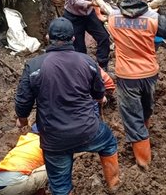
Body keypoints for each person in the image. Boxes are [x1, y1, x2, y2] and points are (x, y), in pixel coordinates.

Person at [14, 17, 120, 195]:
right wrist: (99, 99)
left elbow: (23, 101)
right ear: (73, 39)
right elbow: (98, 92)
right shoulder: (87, 62)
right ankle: (114, 184)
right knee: (109, 143)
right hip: (88, 130)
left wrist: (23, 121)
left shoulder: (34, 66)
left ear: (48, 38)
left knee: (60, 185)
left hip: (54, 138)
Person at [106, 0, 166, 170]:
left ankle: (143, 160)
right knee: (146, 108)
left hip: (127, 76)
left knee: (132, 116)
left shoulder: (112, 18)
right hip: (149, 73)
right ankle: (143, 147)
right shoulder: (153, 18)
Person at [63, 0, 117, 70]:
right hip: (74, 15)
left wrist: (118, 12)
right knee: (79, 46)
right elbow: (75, 1)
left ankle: (102, 66)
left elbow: (108, 0)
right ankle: (82, 69)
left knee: (104, 37)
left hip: (88, 14)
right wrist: (91, 3)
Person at [0, 124, 46, 195]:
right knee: (54, 166)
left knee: (37, 173)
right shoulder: (44, 143)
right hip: (13, 187)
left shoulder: (25, 140)